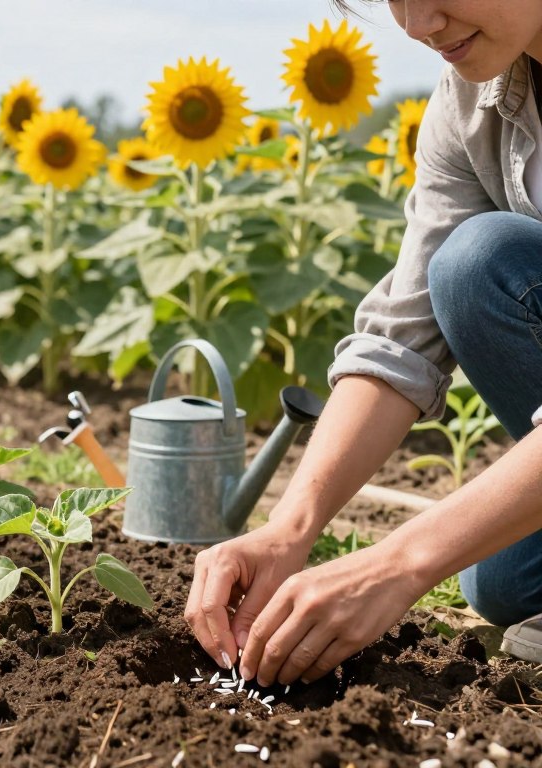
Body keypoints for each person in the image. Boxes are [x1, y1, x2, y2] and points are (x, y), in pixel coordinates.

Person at [185, 0, 542, 689]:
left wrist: (395, 565)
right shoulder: (472, 101)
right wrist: (291, 529)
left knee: (482, 254)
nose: (418, 24)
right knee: (500, 581)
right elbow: (400, 339)